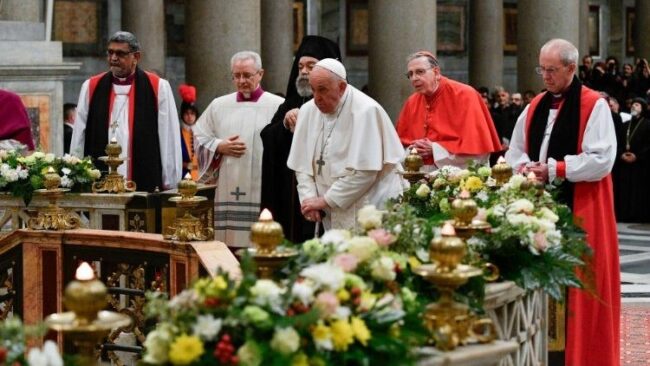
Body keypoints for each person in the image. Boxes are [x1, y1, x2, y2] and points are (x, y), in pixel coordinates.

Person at [505, 39, 619, 366]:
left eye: (552, 70)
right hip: (538, 206)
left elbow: (602, 159)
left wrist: (555, 168)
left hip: (580, 205)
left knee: (581, 286)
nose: (546, 76)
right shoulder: (535, 105)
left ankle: (580, 357)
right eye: (542, 69)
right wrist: (525, 167)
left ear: (571, 68)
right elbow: (515, 151)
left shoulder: (593, 105)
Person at [287, 59, 405, 230]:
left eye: (322, 90)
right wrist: (308, 199)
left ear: (341, 87)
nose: (316, 98)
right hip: (328, 209)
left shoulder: (366, 111)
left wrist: (325, 200)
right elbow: (302, 167)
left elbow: (365, 173)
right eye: (313, 90)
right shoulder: (308, 110)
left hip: (368, 203)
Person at [70, 31, 181, 192]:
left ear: (136, 57)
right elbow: (79, 134)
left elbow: (168, 137)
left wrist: (170, 183)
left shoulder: (158, 87)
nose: (113, 58)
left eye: (120, 54)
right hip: (99, 184)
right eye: (110, 52)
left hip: (144, 181)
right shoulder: (91, 86)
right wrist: (77, 174)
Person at [194, 51, 284, 247]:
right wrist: (219, 146)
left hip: (263, 185)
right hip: (228, 185)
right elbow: (199, 137)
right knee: (228, 245)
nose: (241, 80)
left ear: (260, 74)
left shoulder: (278, 105)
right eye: (236, 75)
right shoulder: (219, 105)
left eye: (247, 75)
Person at [260, 35, 342, 243]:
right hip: (291, 194)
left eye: (311, 66)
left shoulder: (343, 106)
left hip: (329, 192)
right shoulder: (290, 103)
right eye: (301, 66)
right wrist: (286, 124)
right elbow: (267, 135)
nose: (304, 71)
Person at [396, 51, 501, 170]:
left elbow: (478, 152)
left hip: (458, 179)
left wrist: (435, 150)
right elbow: (401, 146)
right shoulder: (412, 102)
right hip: (419, 178)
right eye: (410, 74)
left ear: (436, 72)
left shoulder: (465, 95)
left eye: (420, 72)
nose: (414, 78)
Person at [613, 97, 650, 222]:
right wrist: (622, 154)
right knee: (624, 190)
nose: (634, 107)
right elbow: (617, 142)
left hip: (640, 165)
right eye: (633, 104)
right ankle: (624, 214)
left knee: (638, 191)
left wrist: (637, 156)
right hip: (624, 163)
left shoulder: (648, 124)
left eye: (637, 105)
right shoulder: (625, 125)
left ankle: (636, 215)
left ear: (643, 108)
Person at [178, 84, 200, 180]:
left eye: (192, 113)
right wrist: (185, 165)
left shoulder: (202, 133)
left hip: (201, 176)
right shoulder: (177, 134)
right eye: (186, 113)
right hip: (185, 177)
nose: (190, 117)